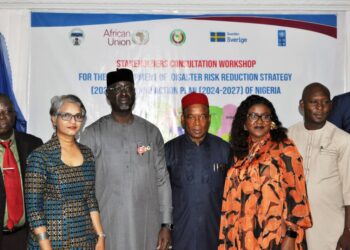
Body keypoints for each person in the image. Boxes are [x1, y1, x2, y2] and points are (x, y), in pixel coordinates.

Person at [80, 68, 173, 250]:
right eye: (117, 88)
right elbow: (84, 186)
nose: (123, 93)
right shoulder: (93, 133)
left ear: (134, 93)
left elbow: (162, 180)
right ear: (108, 95)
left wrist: (166, 224)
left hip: (147, 226)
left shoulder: (151, 132)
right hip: (107, 226)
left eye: (128, 88)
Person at [219, 95, 312, 250]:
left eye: (265, 116)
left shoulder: (285, 148)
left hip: (275, 237)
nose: (260, 121)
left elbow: (298, 196)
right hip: (242, 234)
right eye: (253, 116)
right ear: (244, 123)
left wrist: (291, 235)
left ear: (272, 122)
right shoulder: (239, 152)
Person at [25, 95, 104, 250]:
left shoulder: (87, 154)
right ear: (54, 119)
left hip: (85, 240)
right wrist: (45, 245)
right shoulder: (40, 156)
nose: (73, 121)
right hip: (51, 241)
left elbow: (90, 198)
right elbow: (34, 208)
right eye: (66, 116)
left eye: (78, 116)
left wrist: (100, 235)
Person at [165, 92, 231, 250]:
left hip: (215, 234)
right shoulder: (168, 150)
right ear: (182, 119)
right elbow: (160, 194)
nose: (197, 123)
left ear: (209, 119)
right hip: (180, 235)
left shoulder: (224, 149)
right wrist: (165, 227)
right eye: (191, 117)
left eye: (202, 117)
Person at [288, 82, 350, 250]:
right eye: (314, 102)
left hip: (330, 228)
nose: (320, 107)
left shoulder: (343, 140)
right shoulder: (288, 136)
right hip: (293, 227)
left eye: (325, 102)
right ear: (302, 105)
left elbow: (349, 191)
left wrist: (348, 231)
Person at [0, 94, 43, 250]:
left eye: (7, 111)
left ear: (14, 115)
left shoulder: (33, 144)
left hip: (25, 236)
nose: (2, 116)